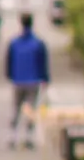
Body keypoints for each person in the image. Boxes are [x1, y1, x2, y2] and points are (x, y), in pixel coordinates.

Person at [5, 12, 50, 148]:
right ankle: (28, 138)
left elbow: (9, 61)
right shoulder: (38, 43)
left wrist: (10, 75)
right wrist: (45, 78)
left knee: (16, 108)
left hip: (18, 80)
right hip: (33, 80)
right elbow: (43, 63)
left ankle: (13, 136)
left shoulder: (14, 42)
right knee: (30, 110)